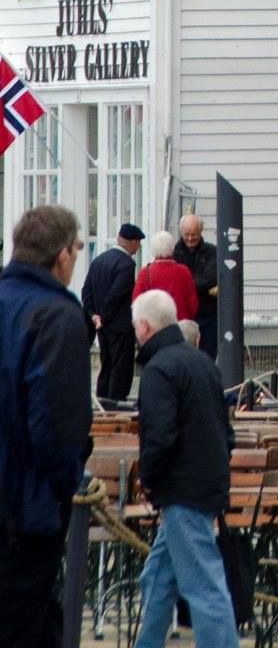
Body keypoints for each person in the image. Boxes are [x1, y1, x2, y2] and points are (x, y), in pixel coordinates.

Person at [0, 204, 93, 648]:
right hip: (26, 509)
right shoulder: (56, 316)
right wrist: (63, 483)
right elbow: (55, 425)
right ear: (62, 256)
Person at [131, 289, 238, 648]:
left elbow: (159, 434)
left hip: (181, 490)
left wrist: (148, 477)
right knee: (158, 577)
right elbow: (226, 432)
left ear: (144, 327)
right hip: (203, 485)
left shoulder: (160, 370)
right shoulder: (203, 364)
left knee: (204, 586)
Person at [82, 222, 145, 402]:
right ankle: (115, 403)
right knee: (120, 368)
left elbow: (86, 292)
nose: (139, 247)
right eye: (138, 242)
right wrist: (104, 316)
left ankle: (102, 399)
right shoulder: (126, 264)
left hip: (101, 327)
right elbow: (116, 295)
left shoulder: (98, 260)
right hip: (119, 325)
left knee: (106, 365)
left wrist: (93, 315)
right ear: (132, 242)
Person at [173, 213, 219, 360]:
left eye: (194, 234)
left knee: (207, 358)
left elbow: (211, 278)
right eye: (187, 234)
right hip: (182, 316)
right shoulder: (174, 252)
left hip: (207, 315)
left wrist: (185, 281)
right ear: (181, 232)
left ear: (201, 231)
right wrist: (198, 282)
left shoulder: (212, 252)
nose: (190, 238)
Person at [134, 232, 198, 324]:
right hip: (181, 325)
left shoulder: (145, 273)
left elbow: (137, 303)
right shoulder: (184, 271)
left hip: (154, 326)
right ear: (172, 248)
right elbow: (193, 304)